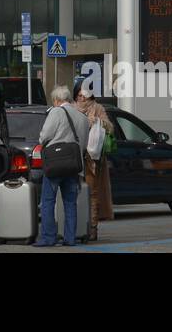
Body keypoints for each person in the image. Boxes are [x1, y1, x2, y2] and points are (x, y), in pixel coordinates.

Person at [33, 85, 88, 248]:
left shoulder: (56, 112)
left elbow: (45, 135)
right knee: (70, 202)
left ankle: (48, 238)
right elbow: (83, 144)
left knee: (48, 200)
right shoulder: (81, 116)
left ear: (57, 100)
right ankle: (70, 238)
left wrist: (43, 140)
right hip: (73, 164)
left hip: (55, 164)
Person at [74, 83, 113, 242]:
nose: (82, 98)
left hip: (92, 159)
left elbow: (110, 128)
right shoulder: (71, 108)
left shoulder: (98, 108)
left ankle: (92, 228)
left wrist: (97, 121)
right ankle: (75, 227)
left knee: (92, 193)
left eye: (85, 95)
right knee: (73, 193)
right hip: (74, 157)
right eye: (79, 95)